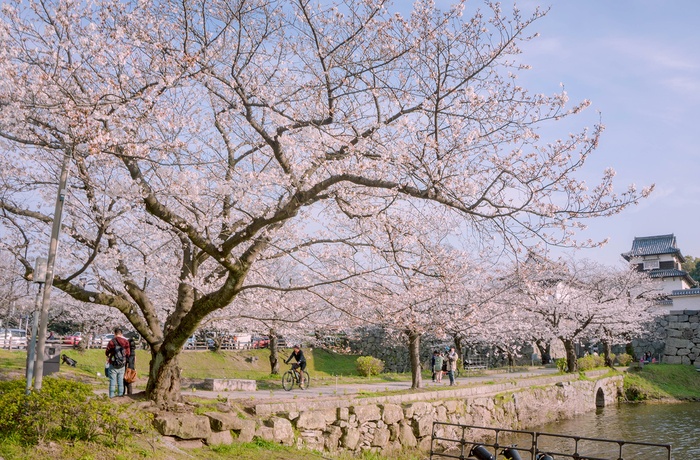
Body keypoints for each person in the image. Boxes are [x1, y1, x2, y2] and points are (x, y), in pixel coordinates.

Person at [105, 327, 130, 398]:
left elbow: (107, 352)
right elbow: (128, 353)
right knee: (120, 381)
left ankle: (111, 396)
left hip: (113, 363)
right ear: (121, 334)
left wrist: (109, 355)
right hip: (122, 364)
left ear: (114, 334)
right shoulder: (126, 341)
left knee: (112, 381)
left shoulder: (112, 341)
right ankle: (120, 396)